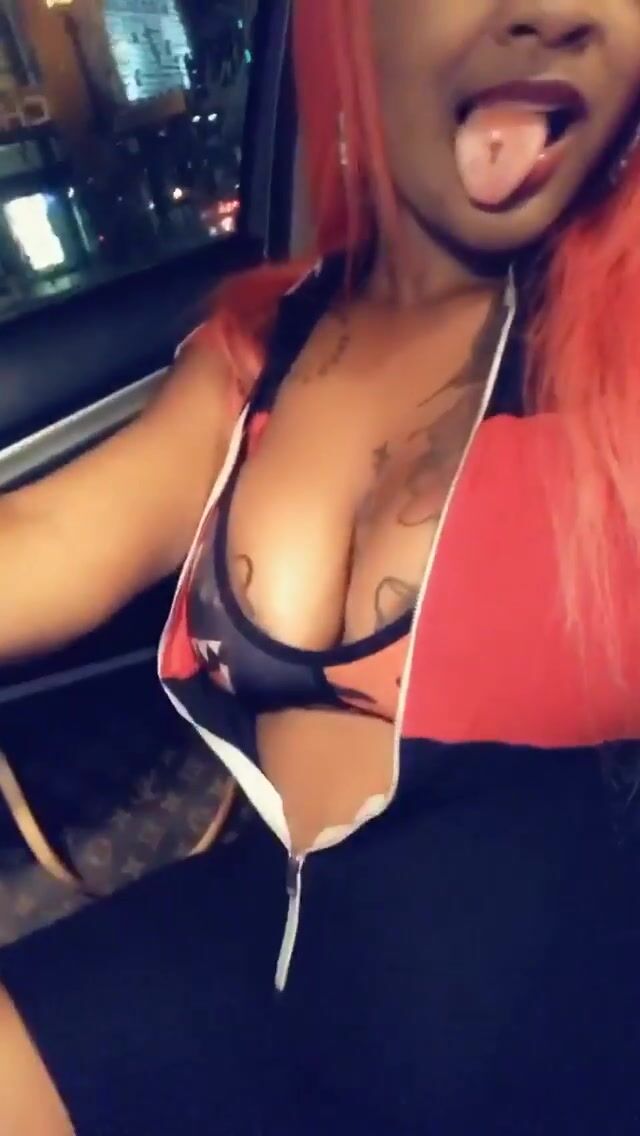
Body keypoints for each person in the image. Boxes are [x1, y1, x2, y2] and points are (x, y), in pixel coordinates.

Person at [0, 1, 639, 1132]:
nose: (553, 11)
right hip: (283, 941)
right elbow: (44, 542)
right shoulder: (266, 346)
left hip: (550, 1030)